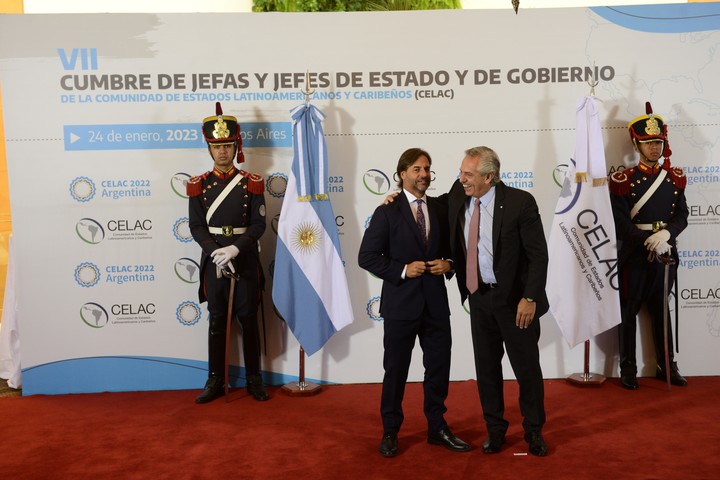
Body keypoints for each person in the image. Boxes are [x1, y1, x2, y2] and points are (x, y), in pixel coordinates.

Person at [358, 148, 471, 458]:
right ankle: (390, 431)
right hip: (400, 307)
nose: (424, 174)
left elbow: (455, 246)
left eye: (428, 169)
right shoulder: (387, 211)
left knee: (438, 368)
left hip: (436, 306)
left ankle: (437, 427)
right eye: (418, 169)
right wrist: (403, 270)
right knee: (395, 371)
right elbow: (366, 256)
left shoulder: (441, 206)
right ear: (402, 173)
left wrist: (449, 264)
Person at [447, 146, 549, 457]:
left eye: (469, 174)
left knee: (527, 370)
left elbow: (538, 255)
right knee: (487, 369)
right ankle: (495, 430)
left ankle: (533, 431)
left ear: (489, 176)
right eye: (461, 172)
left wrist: (529, 298)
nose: (462, 179)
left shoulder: (520, 203)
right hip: (479, 299)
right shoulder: (458, 195)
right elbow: (429, 204)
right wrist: (395, 198)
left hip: (516, 302)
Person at [187, 102, 269, 403]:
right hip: (214, 261)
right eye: (217, 146)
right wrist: (215, 252)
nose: (223, 152)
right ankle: (215, 380)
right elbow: (196, 226)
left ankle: (254, 379)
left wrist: (235, 248)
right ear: (209, 149)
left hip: (244, 258)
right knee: (217, 320)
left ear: (237, 146)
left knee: (248, 319)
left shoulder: (252, 183)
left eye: (228, 145)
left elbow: (259, 225)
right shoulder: (199, 185)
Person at [609, 102, 688, 390]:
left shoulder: (675, 178)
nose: (654, 148)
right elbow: (620, 222)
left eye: (658, 142)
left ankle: (666, 365)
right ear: (636, 144)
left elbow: (682, 215)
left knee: (661, 310)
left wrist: (666, 236)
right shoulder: (623, 180)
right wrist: (647, 240)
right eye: (648, 143)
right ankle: (627, 367)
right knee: (629, 311)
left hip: (666, 253)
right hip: (635, 254)